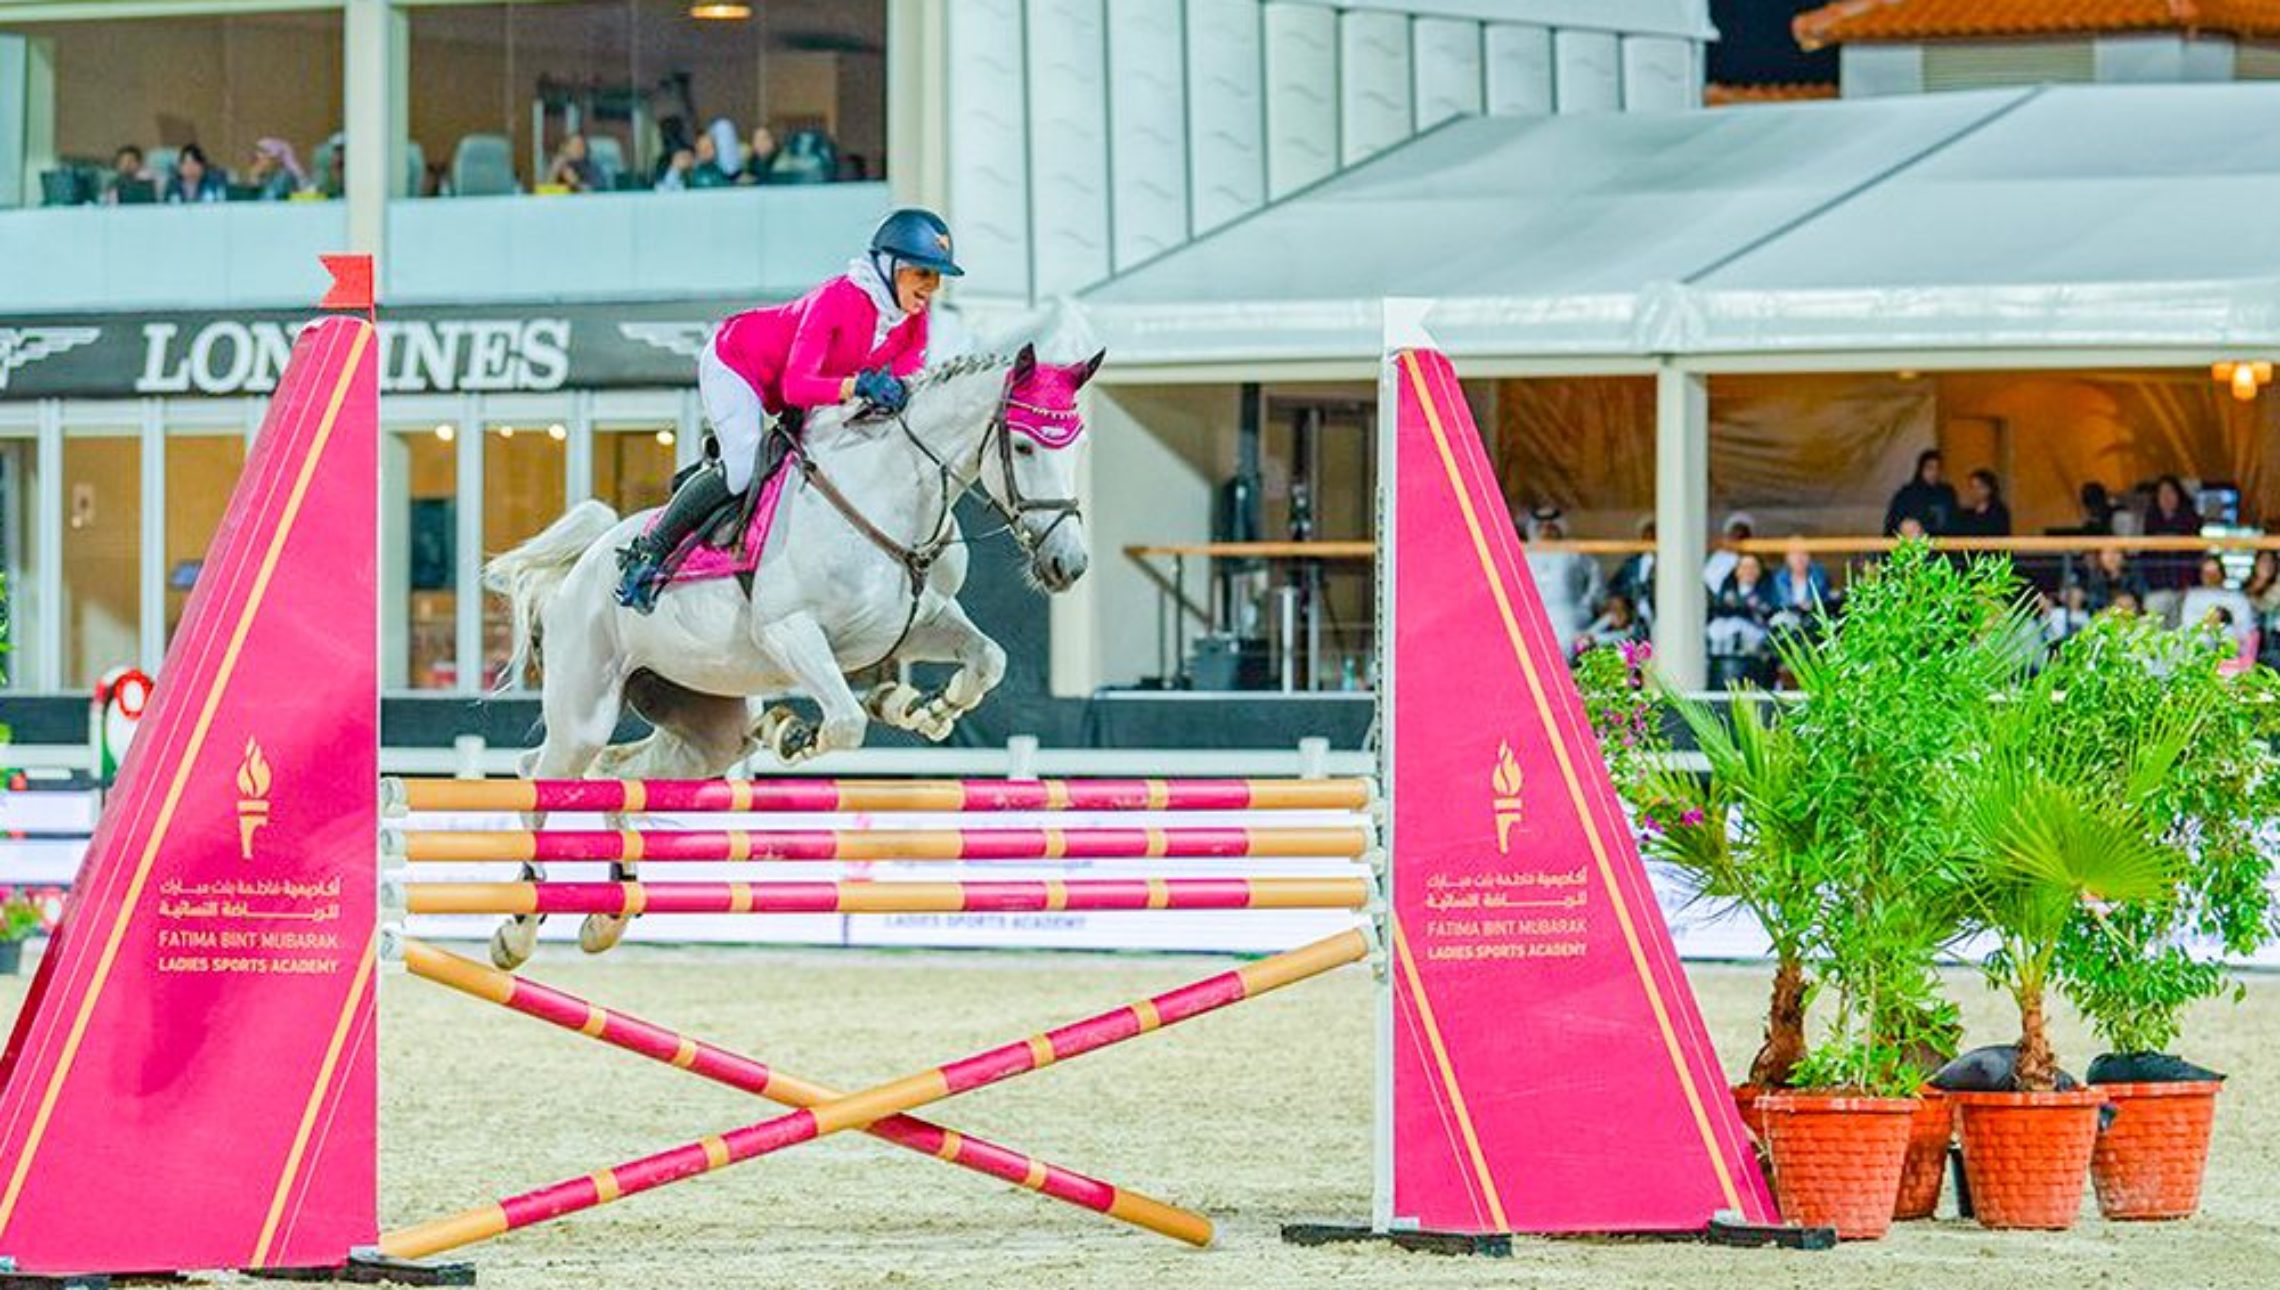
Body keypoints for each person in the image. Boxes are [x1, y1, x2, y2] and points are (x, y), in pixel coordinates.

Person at [614, 209, 962, 612]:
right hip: (739, 362)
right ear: (891, 266)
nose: (931, 288)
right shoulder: (838, 299)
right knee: (743, 466)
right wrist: (859, 385)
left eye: (936, 278)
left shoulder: (914, 322)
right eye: (923, 274)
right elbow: (795, 386)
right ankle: (648, 551)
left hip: (807, 390)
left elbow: (902, 389)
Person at [1520, 507, 1605, 656]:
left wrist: (1587, 605)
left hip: (1567, 615)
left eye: (1551, 526)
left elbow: (1596, 575)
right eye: (1541, 526)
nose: (1546, 530)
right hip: (1530, 615)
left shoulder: (1573, 550)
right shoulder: (1525, 552)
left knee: (1563, 655)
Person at [2141, 475, 2202, 623]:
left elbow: (2195, 556)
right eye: (2162, 493)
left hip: (2186, 588)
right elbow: (2146, 558)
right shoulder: (2151, 521)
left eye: (2171, 492)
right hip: (2158, 588)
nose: (2166, 497)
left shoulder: (2191, 520)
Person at [2179, 556, 2253, 651]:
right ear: (2201, 575)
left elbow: (2244, 633)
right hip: (2198, 652)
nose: (2211, 576)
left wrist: (2223, 622)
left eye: (2215, 571)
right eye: (2207, 572)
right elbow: (2188, 627)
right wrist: (2208, 626)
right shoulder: (2193, 596)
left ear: (2223, 573)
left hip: (2231, 655)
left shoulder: (2237, 598)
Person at [1883, 450, 1957, 537]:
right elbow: (1894, 523)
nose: (1934, 472)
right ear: (1921, 469)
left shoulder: (1947, 494)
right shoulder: (1907, 494)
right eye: (1930, 468)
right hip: (1913, 545)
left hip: (1942, 545)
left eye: (1937, 468)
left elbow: (1955, 523)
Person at [1608, 518, 1655, 626]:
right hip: (1635, 623)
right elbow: (1614, 589)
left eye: (1654, 534)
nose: (1650, 539)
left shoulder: (1673, 565)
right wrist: (1618, 605)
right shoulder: (1632, 565)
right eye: (1646, 535)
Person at [1769, 543, 1831, 616]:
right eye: (1794, 554)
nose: (1799, 558)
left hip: (1813, 618)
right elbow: (1775, 605)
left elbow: (1826, 601)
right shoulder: (1779, 579)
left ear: (1809, 557)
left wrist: (1812, 605)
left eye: (1803, 553)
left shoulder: (1819, 577)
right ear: (1786, 558)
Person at [2083, 545, 2149, 612]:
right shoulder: (2094, 576)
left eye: (2116, 552)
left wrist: (2132, 600)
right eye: (2106, 552)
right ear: (2100, 556)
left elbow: (2141, 595)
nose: (2111, 557)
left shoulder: (2133, 573)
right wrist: (2114, 604)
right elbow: (2092, 604)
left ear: (2123, 556)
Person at [1577, 591, 1648, 652]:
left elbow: (1626, 635)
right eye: (1613, 609)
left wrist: (1593, 639)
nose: (1615, 614)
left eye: (1620, 610)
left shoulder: (1630, 632)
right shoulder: (1610, 619)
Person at [1702, 512, 1753, 593]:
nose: (1739, 535)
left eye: (1744, 533)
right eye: (1735, 531)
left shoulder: (1750, 560)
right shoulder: (1718, 557)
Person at [1952, 469, 2011, 538]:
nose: (1975, 491)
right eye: (1972, 487)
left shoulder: (1999, 512)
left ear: (1989, 489)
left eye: (1979, 487)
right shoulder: (1966, 515)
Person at [2043, 582, 2092, 647]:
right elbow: (2050, 632)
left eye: (2079, 598)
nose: (2076, 601)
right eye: (2074, 598)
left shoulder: (2085, 616)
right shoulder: (2059, 613)